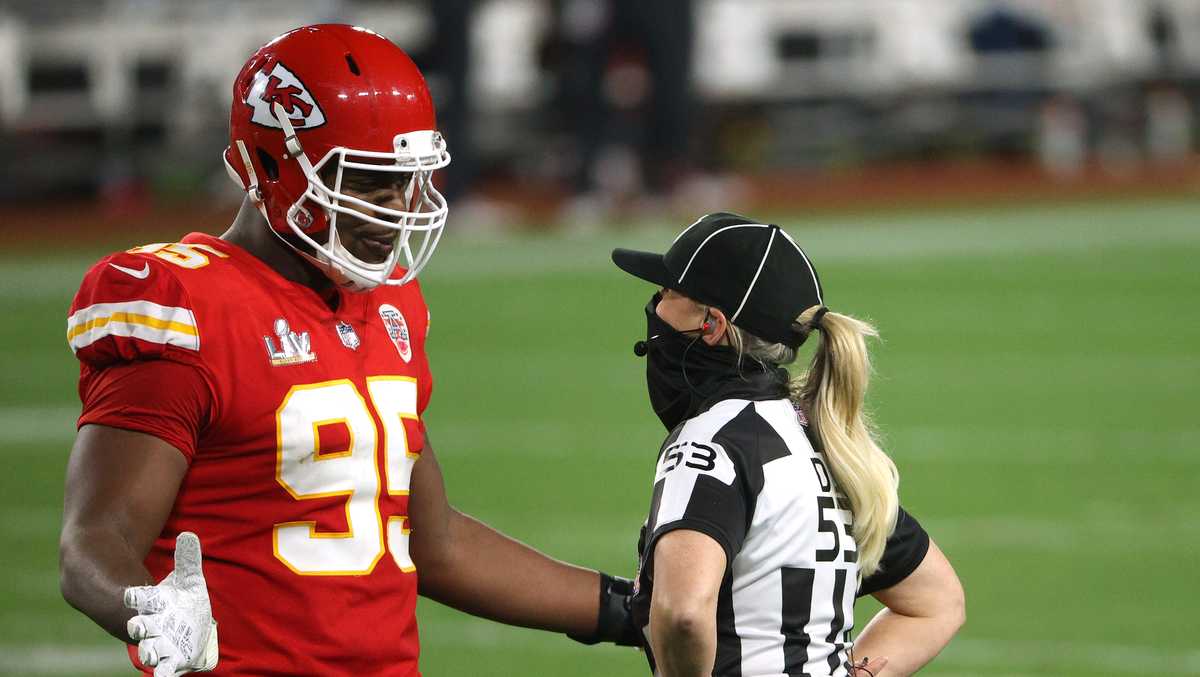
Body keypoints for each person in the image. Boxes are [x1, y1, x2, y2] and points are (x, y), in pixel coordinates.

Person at [58, 24, 634, 676]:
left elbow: (432, 537)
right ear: (269, 166)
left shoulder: (390, 304)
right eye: (366, 181)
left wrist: (628, 609)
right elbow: (94, 541)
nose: (396, 210)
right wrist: (147, 607)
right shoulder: (188, 305)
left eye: (406, 180)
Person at [610, 213, 965, 676]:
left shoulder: (711, 441)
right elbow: (938, 602)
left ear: (711, 324)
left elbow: (682, 613)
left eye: (670, 292)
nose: (655, 305)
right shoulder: (826, 442)